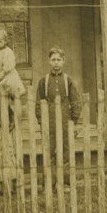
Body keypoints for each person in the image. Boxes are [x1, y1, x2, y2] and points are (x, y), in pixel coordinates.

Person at [35, 46, 83, 180]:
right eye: (53, 59)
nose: (56, 62)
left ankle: (66, 181)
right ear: (49, 61)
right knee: (48, 152)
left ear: (63, 61)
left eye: (58, 60)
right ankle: (48, 181)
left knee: (65, 153)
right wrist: (41, 121)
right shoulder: (43, 81)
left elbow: (76, 102)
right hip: (48, 123)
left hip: (65, 122)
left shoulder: (68, 81)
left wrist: (73, 120)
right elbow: (39, 103)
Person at [0, 27, 26, 129]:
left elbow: (9, 65)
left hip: (7, 76)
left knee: (10, 98)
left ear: (5, 41)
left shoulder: (7, 51)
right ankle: (1, 117)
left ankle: (12, 117)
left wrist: (1, 75)